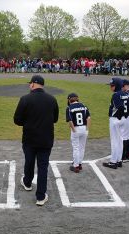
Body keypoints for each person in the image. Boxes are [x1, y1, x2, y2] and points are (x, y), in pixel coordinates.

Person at [14, 75, 59, 206]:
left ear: (33, 84)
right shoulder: (52, 99)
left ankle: (27, 183)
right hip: (46, 139)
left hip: (29, 138)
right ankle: (40, 196)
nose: (29, 86)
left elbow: (17, 120)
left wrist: (28, 122)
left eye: (30, 84)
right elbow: (55, 119)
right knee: (43, 167)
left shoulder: (25, 99)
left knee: (29, 161)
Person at [103, 78, 126, 169]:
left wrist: (118, 118)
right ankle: (119, 160)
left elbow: (119, 107)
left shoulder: (116, 95)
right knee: (120, 140)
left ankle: (113, 162)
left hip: (116, 119)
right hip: (123, 119)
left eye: (112, 86)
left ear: (116, 86)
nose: (110, 87)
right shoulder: (125, 94)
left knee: (115, 141)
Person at [66, 93, 91, 173]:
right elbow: (89, 118)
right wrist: (87, 129)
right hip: (84, 128)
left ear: (70, 100)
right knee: (82, 147)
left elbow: (70, 120)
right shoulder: (84, 106)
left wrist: (73, 130)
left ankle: (76, 166)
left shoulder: (69, 107)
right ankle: (79, 163)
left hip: (76, 129)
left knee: (76, 147)